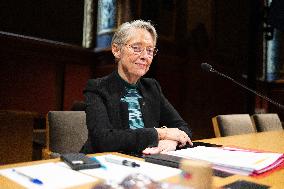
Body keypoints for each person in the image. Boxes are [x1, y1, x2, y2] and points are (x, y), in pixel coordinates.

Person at [80, 20, 192, 155]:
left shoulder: (152, 87)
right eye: (136, 48)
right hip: (106, 163)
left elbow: (183, 128)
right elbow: (104, 140)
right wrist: (161, 133)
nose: (145, 56)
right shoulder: (97, 88)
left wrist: (171, 142)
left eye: (150, 50)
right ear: (116, 50)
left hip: (146, 159)